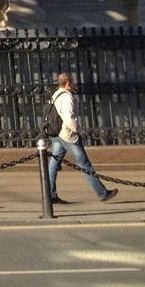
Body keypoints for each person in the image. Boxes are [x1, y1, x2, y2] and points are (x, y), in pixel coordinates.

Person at [47, 72, 118, 203]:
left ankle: (50, 195)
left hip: (56, 133)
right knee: (85, 164)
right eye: (73, 83)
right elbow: (68, 118)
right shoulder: (67, 97)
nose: (74, 86)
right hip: (67, 135)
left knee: (53, 165)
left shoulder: (56, 94)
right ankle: (102, 193)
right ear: (68, 83)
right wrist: (78, 130)